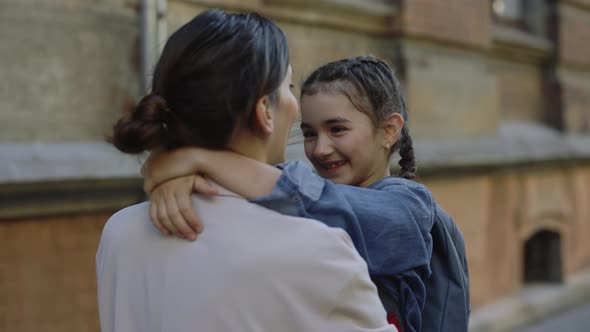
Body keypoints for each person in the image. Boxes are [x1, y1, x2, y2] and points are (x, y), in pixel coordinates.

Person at [97, 9, 398, 332]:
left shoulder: (120, 233)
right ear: (264, 110)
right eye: (289, 86)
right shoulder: (316, 249)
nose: (294, 105)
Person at [143, 56, 471, 332]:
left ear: (389, 130)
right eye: (310, 133)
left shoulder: (410, 206)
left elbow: (317, 200)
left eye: (337, 129)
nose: (320, 149)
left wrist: (199, 160)